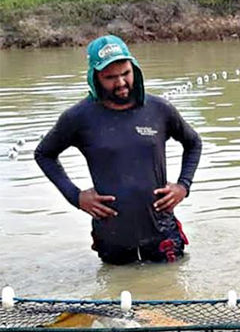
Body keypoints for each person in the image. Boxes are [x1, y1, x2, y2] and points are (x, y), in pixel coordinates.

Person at [34, 35, 202, 265]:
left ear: (135, 69)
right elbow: (44, 154)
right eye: (110, 77)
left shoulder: (159, 109)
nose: (121, 83)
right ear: (95, 78)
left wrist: (183, 186)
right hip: (112, 237)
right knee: (116, 285)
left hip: (162, 233)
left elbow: (193, 143)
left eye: (126, 73)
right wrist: (76, 197)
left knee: (170, 283)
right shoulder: (78, 118)